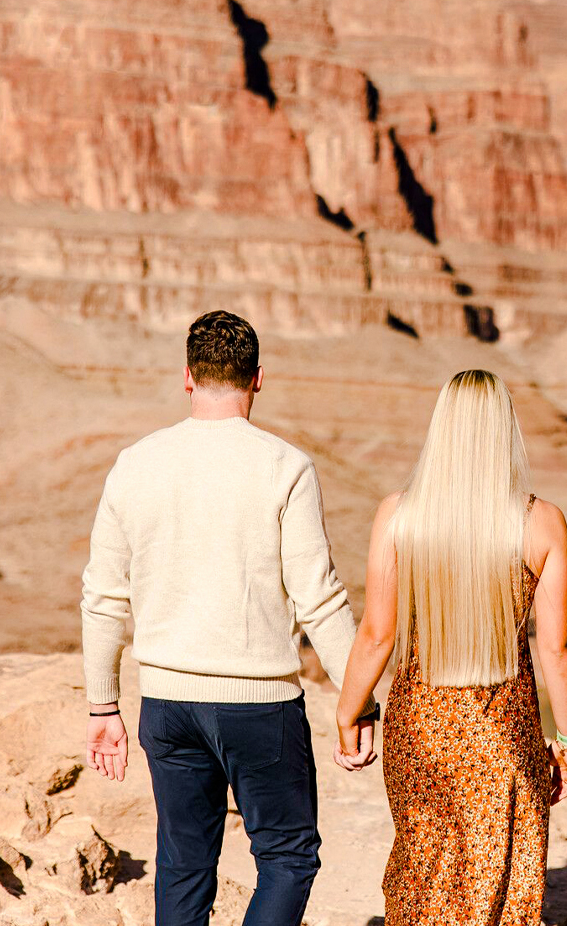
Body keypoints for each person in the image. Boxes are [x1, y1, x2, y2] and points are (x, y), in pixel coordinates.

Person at [79, 309, 376, 926]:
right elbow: (318, 598)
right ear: (258, 379)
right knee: (288, 857)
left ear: (187, 376)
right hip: (260, 705)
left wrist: (103, 706)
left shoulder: (135, 463)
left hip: (165, 704)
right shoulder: (285, 466)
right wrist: (359, 703)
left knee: (184, 865)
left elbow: (103, 595)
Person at [333, 368, 567, 926]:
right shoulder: (541, 522)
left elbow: (377, 633)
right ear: (506, 430)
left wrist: (349, 714)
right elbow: (557, 647)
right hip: (504, 735)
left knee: (424, 876)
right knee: (502, 890)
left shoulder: (399, 514)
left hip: (420, 732)